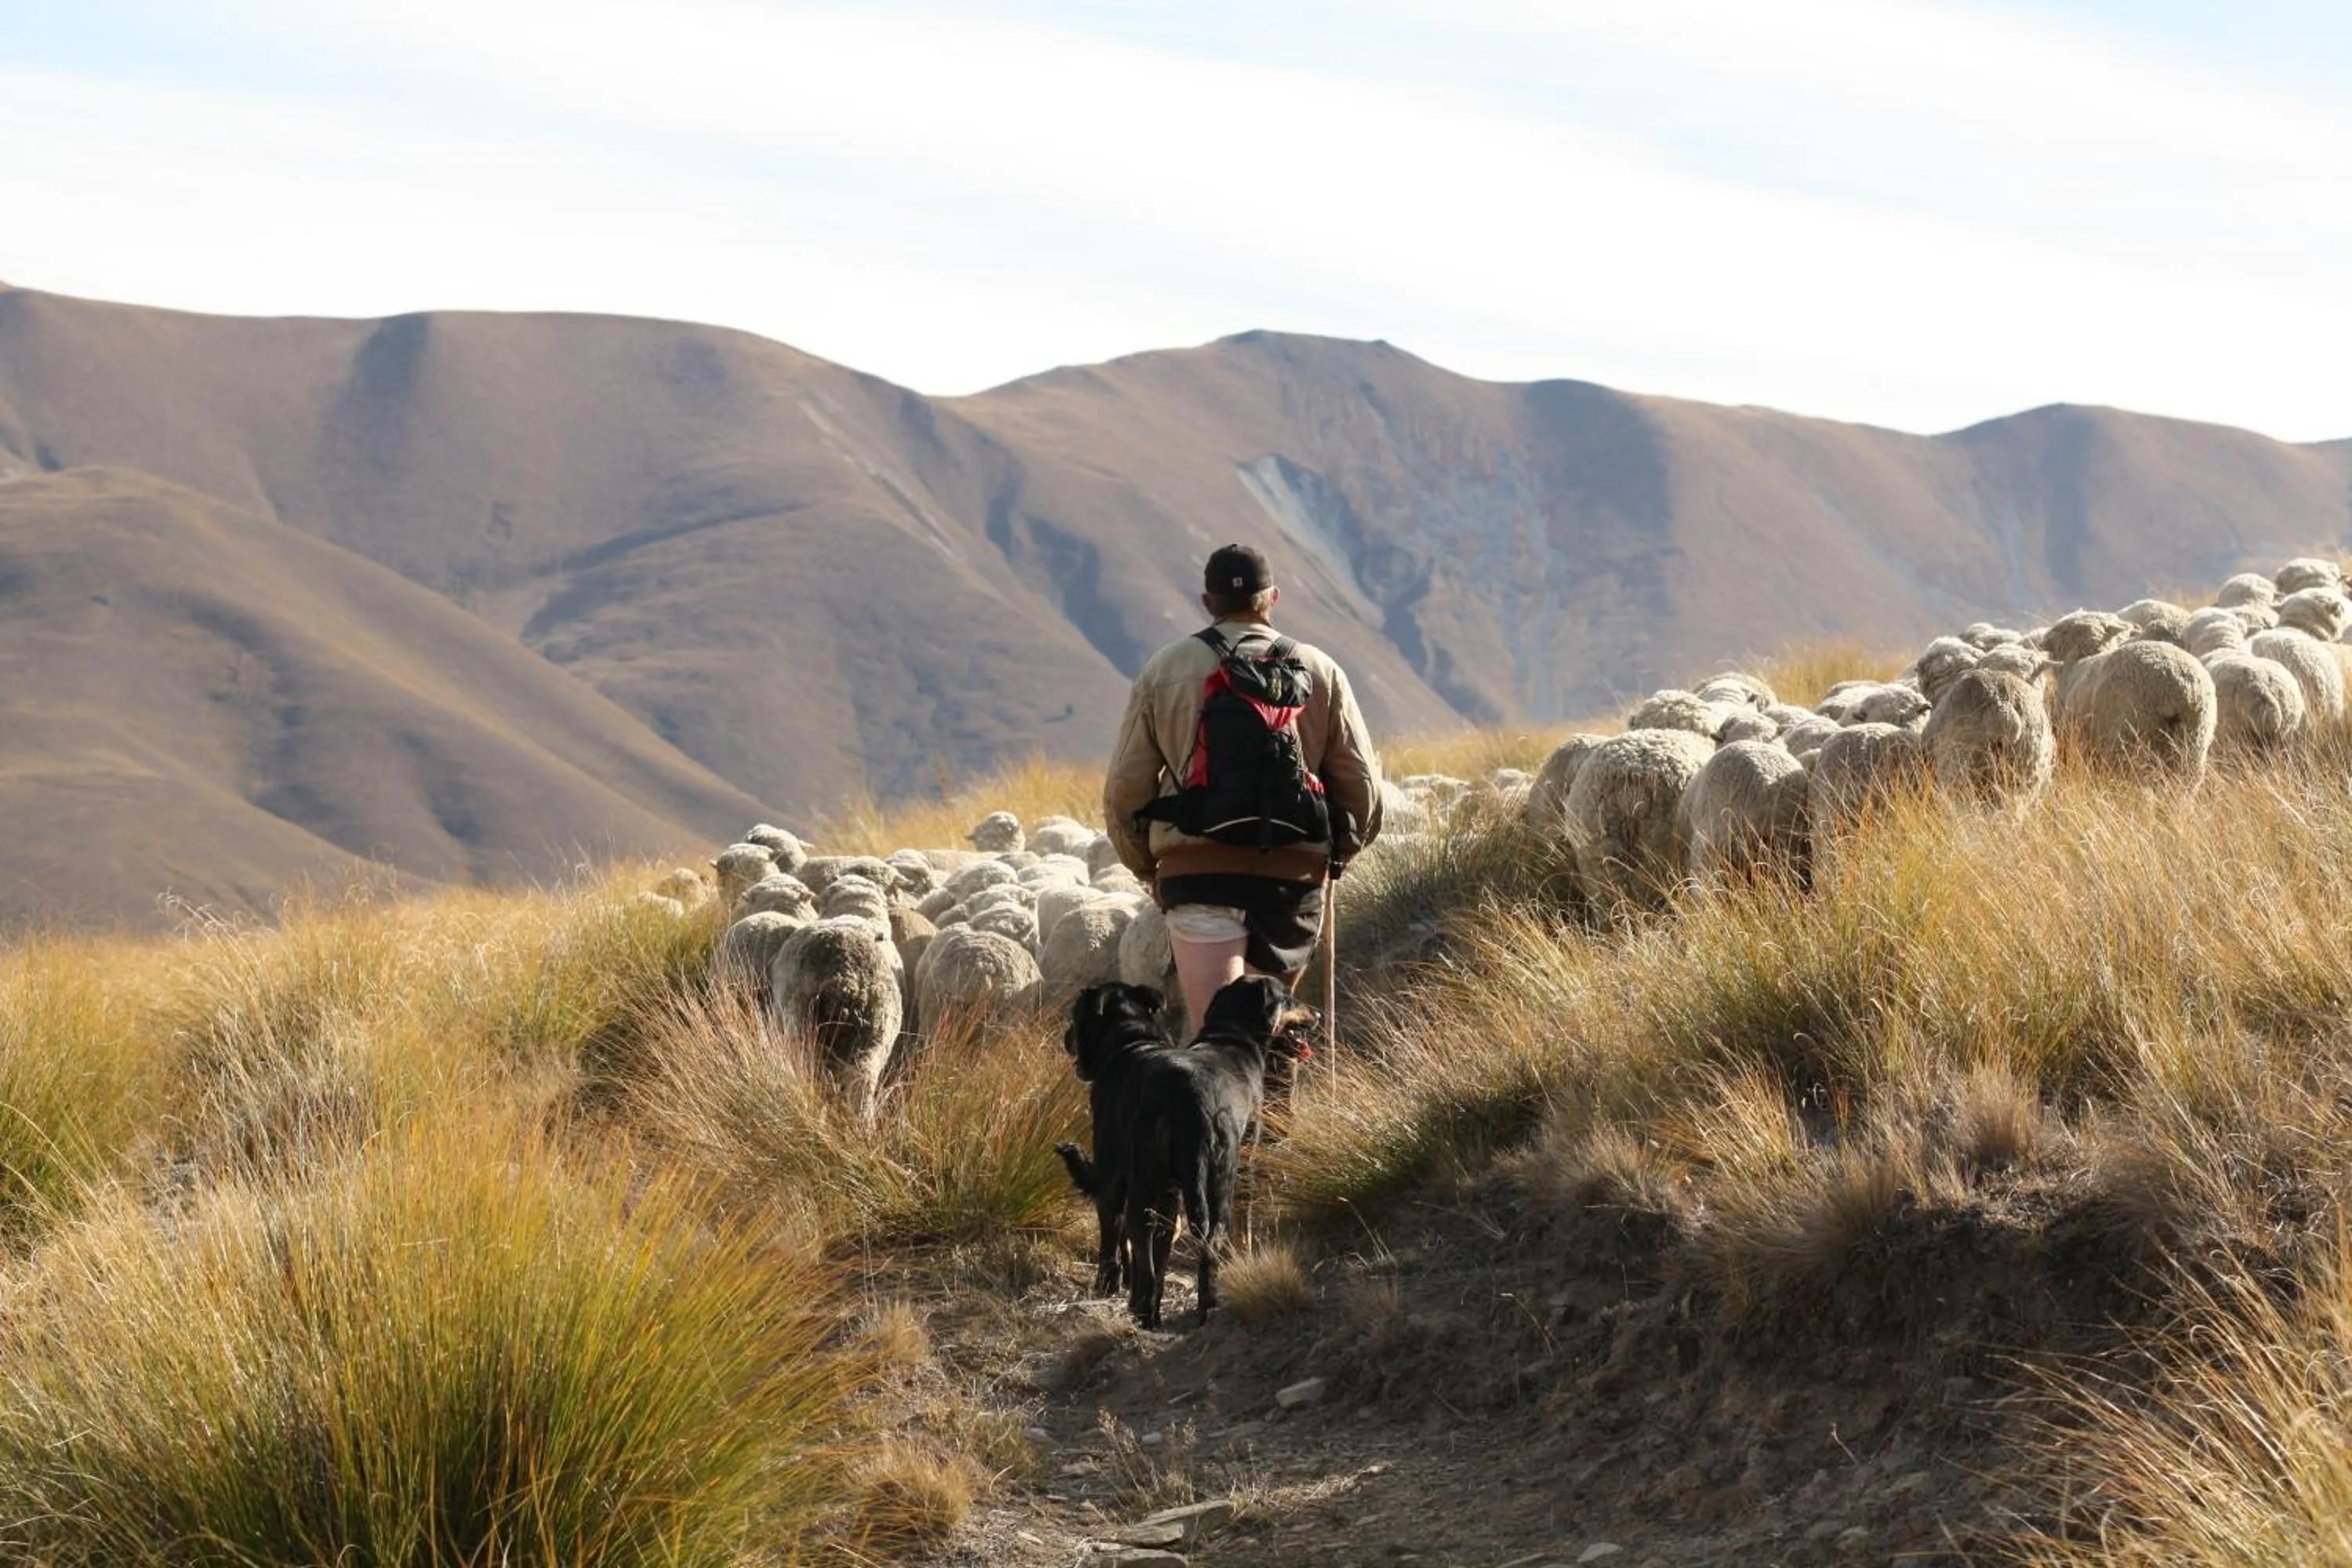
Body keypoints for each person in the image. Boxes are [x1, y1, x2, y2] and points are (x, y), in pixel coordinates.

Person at [1103, 543, 1383, 1036]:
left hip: (1198, 873)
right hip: (1291, 877)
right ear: (1272, 597)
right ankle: (1279, 1114)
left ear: (1207, 602)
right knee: (1273, 1034)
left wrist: (1148, 866)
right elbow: (1362, 785)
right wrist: (1338, 852)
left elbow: (1126, 789)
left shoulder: (1164, 670)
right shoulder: (1320, 669)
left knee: (1222, 1041)